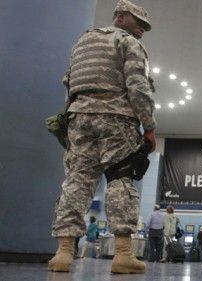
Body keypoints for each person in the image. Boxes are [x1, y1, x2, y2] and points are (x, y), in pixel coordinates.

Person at [48, 0, 155, 274]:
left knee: (77, 181)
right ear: (120, 17)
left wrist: (71, 117)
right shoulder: (128, 43)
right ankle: (122, 254)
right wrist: (149, 126)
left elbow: (69, 82)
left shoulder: (82, 42)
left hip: (79, 118)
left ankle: (63, 253)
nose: (142, 30)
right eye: (138, 23)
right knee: (121, 178)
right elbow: (138, 86)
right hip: (116, 119)